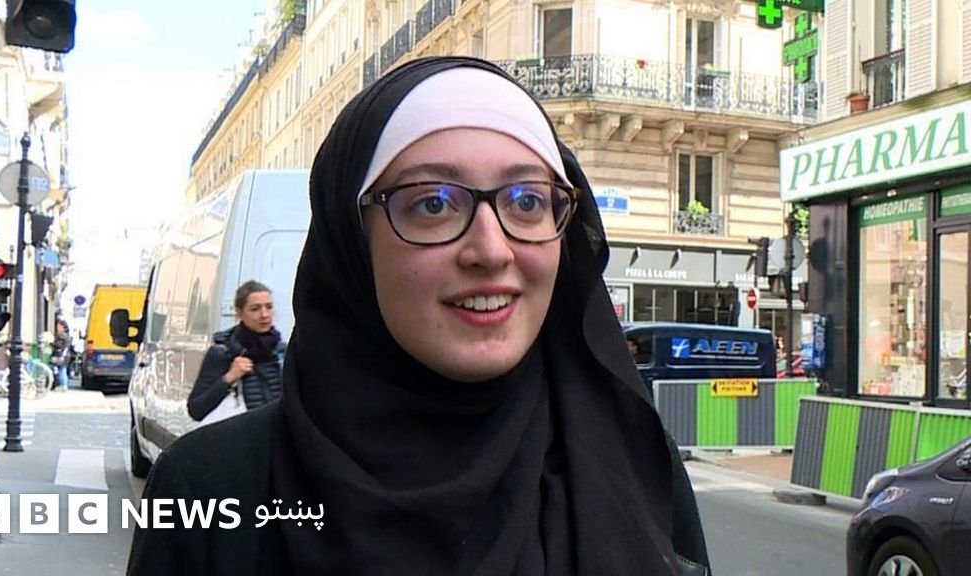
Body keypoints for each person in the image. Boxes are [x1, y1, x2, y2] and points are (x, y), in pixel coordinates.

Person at [128, 57, 710, 575]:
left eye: (528, 201)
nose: (492, 250)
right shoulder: (210, 490)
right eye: (433, 203)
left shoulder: (630, 460)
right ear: (351, 242)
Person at [186, 281, 285, 422]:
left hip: (280, 431)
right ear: (239, 312)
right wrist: (229, 378)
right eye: (255, 309)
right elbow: (196, 410)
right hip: (244, 432)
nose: (264, 315)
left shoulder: (282, 352)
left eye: (269, 307)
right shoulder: (222, 352)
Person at [51, 319, 71, 391]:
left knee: (61, 370)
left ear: (62, 327)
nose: (57, 328)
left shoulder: (62, 335)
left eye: (58, 326)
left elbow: (58, 345)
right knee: (62, 370)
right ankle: (64, 385)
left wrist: (52, 342)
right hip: (65, 355)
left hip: (61, 355)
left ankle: (63, 386)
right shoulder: (67, 335)